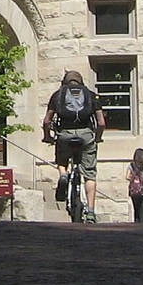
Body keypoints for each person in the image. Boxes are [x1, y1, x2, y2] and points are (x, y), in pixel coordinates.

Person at [41, 69, 105, 222]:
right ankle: (90, 212)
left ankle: (63, 175)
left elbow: (46, 121)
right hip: (86, 135)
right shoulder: (91, 95)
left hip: (65, 134)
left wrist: (47, 137)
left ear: (65, 81)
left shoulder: (57, 95)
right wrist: (97, 138)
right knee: (89, 174)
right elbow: (101, 122)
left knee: (62, 161)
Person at [125, 148, 143, 223]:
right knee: (142, 211)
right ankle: (142, 226)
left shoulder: (131, 165)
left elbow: (127, 177)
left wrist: (134, 179)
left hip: (134, 191)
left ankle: (136, 224)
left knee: (136, 210)